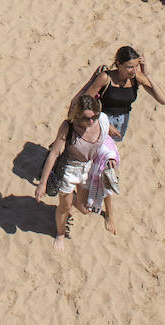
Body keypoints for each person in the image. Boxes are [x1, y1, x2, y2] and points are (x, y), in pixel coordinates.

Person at [34, 92, 120, 245]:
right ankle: (60, 234)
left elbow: (106, 141)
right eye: (87, 118)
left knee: (84, 208)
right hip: (70, 169)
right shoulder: (69, 127)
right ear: (78, 116)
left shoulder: (102, 120)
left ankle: (70, 200)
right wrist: (42, 183)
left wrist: (111, 156)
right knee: (64, 208)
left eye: (94, 116)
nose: (92, 121)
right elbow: (54, 154)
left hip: (89, 168)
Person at [75, 46, 165, 142]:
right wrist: (105, 124)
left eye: (136, 66)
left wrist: (147, 74)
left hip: (121, 122)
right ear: (119, 64)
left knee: (110, 152)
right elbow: (85, 103)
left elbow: (163, 100)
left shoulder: (136, 77)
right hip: (100, 120)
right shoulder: (106, 78)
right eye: (130, 67)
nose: (134, 70)